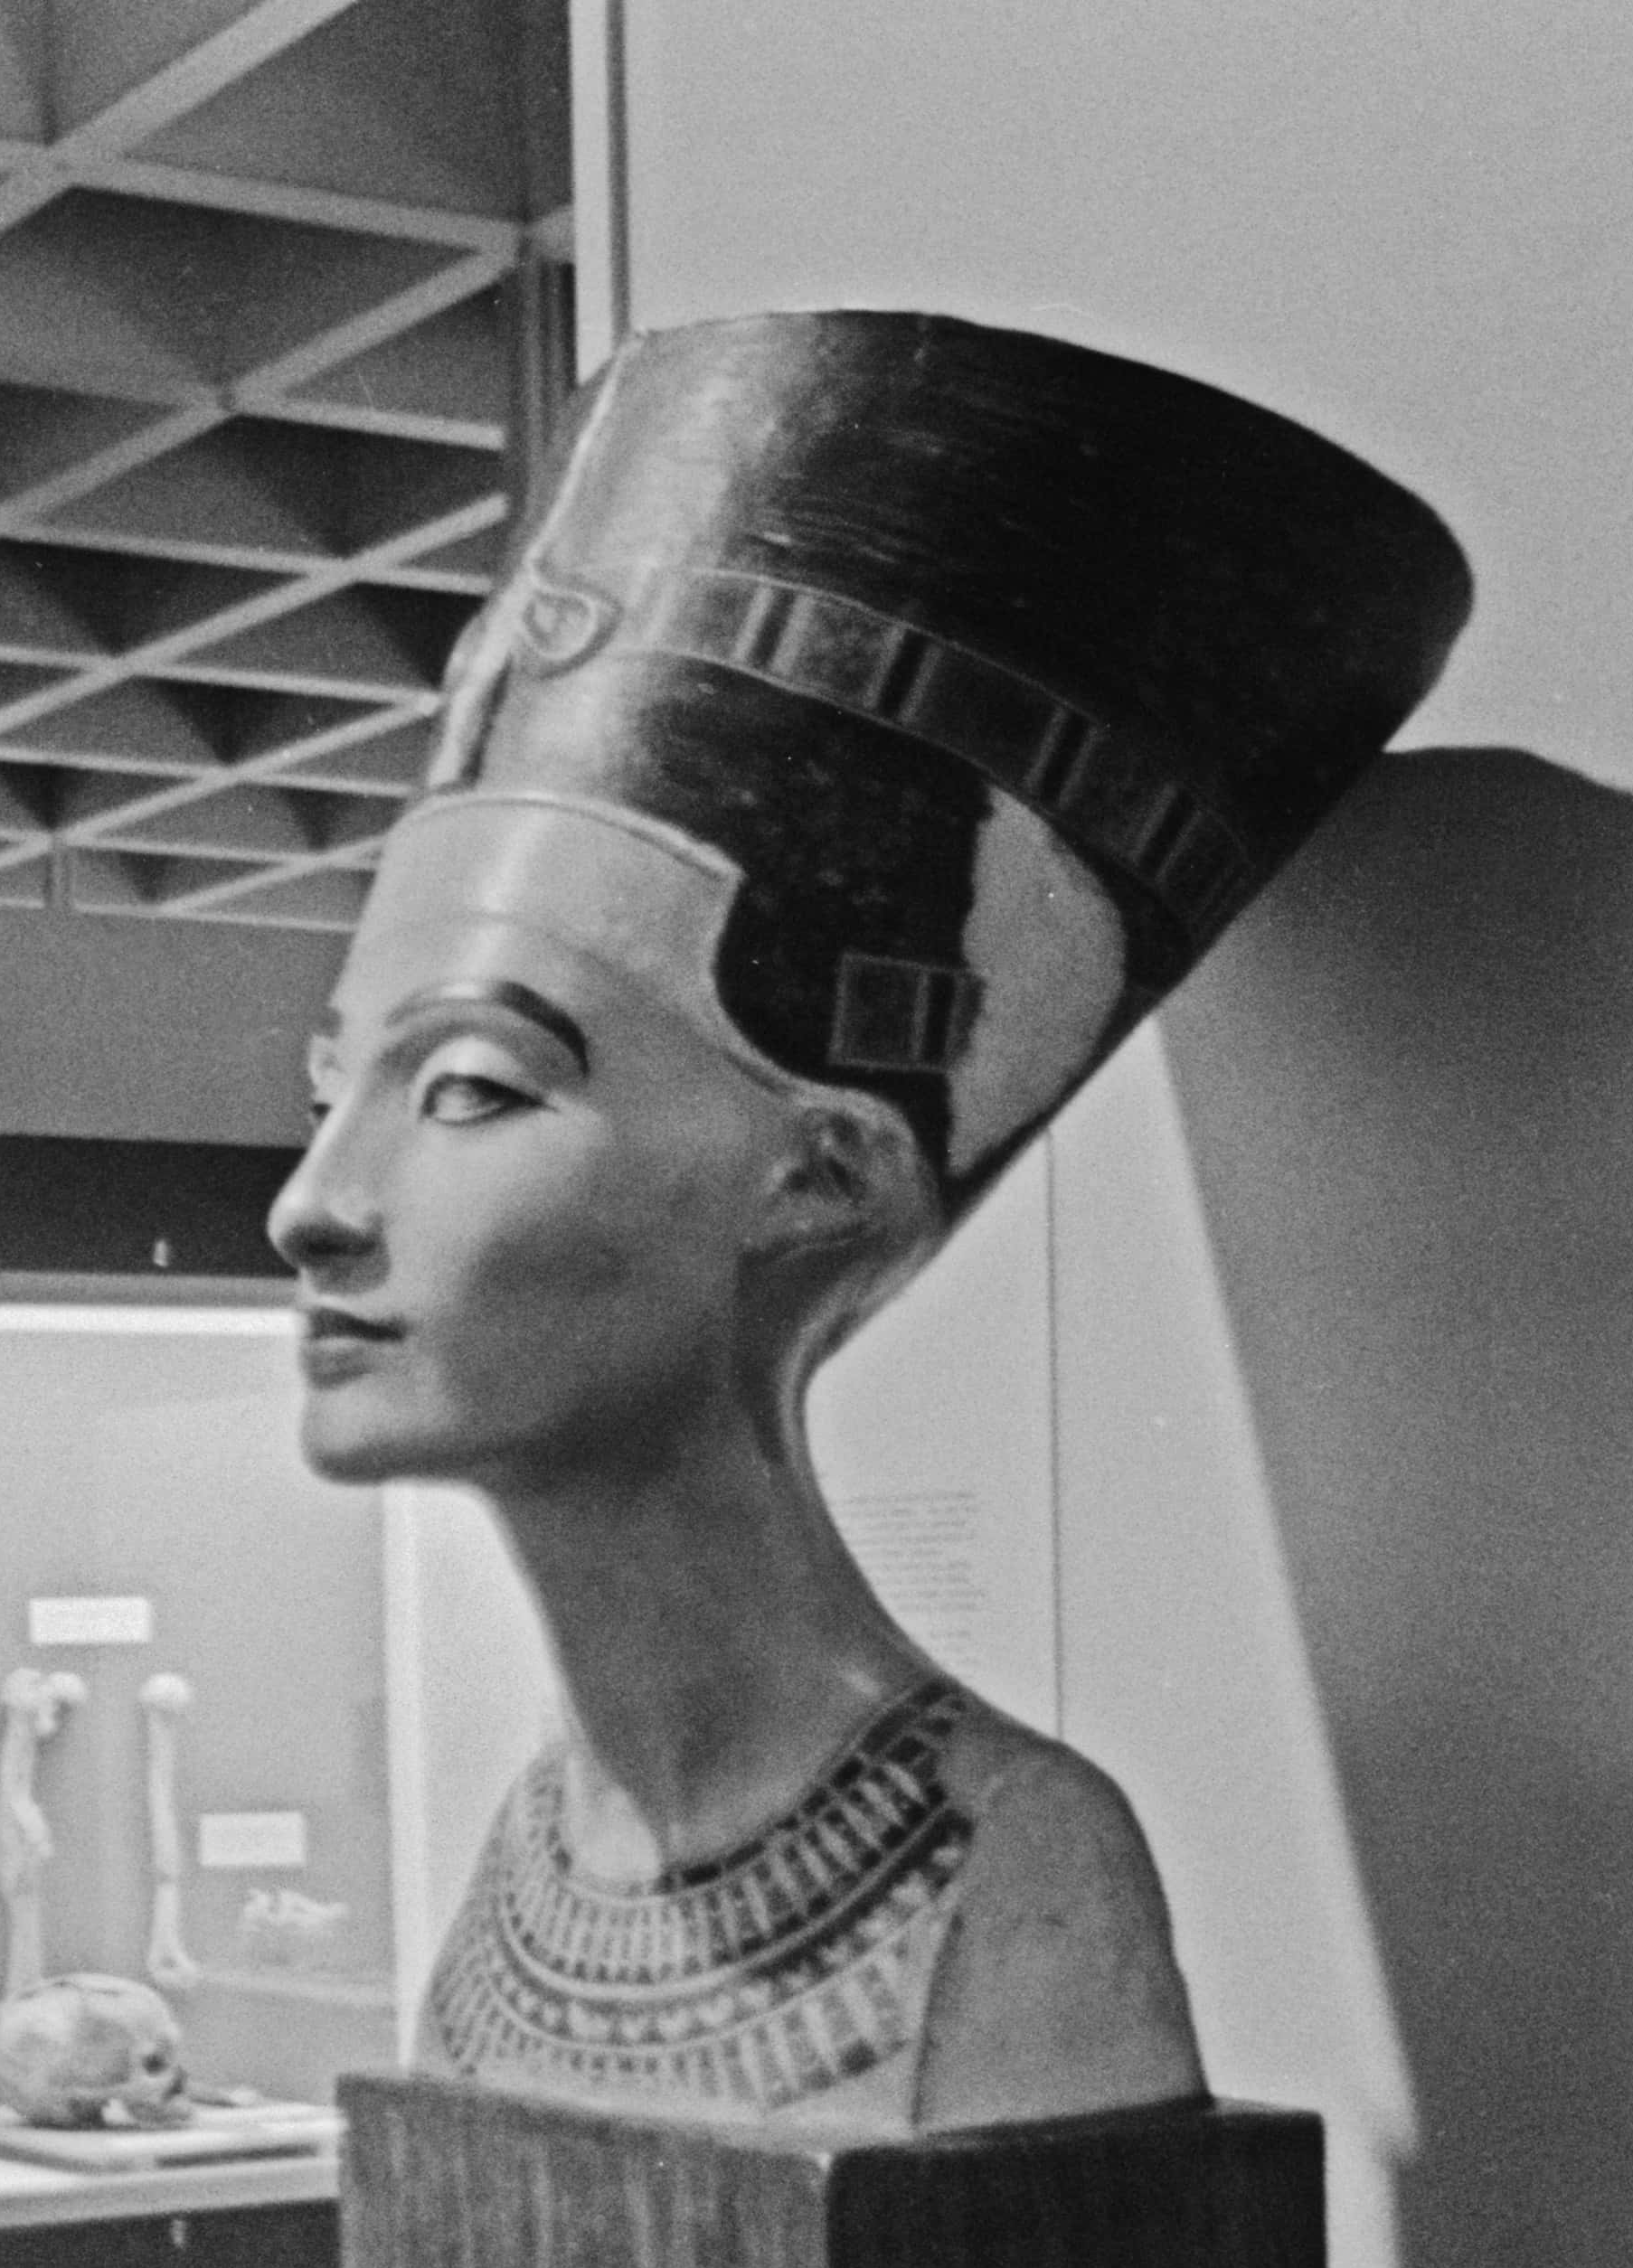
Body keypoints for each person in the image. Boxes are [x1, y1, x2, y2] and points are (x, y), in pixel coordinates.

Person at [274, 310, 1468, 2135]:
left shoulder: (1012, 1871)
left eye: (471, 1090)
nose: (311, 1208)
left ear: (822, 1176)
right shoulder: (525, 1873)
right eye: (329, 1092)